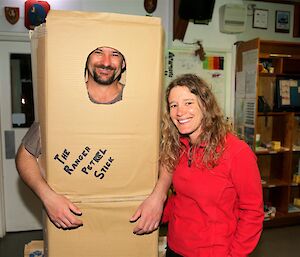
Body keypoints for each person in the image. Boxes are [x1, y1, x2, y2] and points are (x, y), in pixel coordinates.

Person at [130, 74, 264, 257]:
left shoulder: (237, 152)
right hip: (176, 247)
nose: (180, 112)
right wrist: (150, 212)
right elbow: (183, 200)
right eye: (173, 105)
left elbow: (252, 213)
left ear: (205, 105)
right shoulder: (178, 147)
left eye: (188, 103)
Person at [15, 46, 126, 229]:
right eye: (98, 52)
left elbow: (167, 152)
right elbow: (25, 155)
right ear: (86, 57)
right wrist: (47, 197)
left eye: (115, 54)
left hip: (127, 217)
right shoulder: (65, 100)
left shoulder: (140, 99)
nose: (106, 62)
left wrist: (158, 197)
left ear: (124, 63)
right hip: (68, 216)